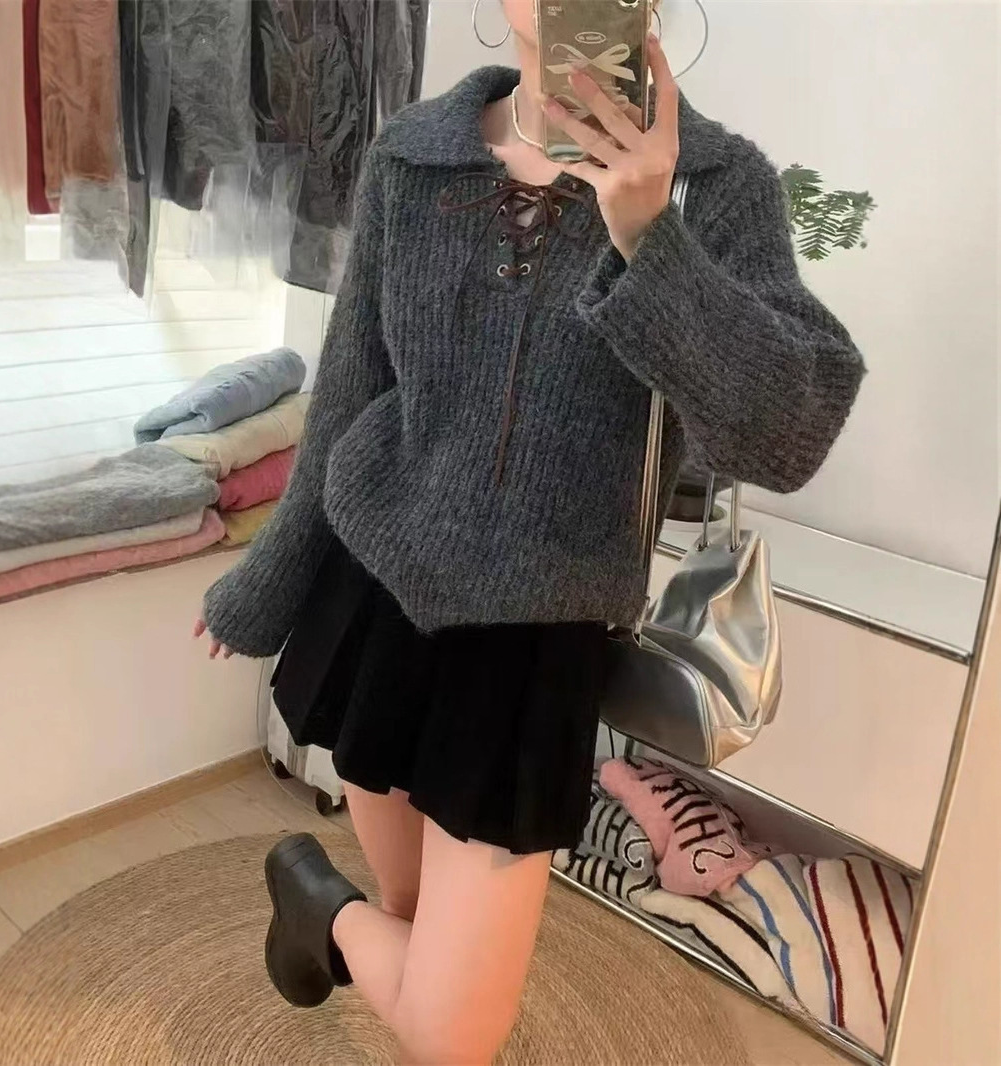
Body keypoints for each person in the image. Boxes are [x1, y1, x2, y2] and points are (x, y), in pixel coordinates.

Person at [195, 0, 865, 1060]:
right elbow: (349, 394)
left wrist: (649, 236)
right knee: (417, 933)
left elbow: (787, 437)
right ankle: (349, 919)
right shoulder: (411, 157)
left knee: (454, 1028)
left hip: (530, 642)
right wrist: (265, 584)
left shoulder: (713, 184)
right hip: (376, 600)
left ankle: (318, 906)